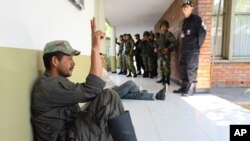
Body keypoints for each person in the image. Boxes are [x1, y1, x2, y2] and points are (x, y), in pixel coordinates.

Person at [31, 18, 137, 141]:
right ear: (55, 61)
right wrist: (95, 48)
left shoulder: (55, 82)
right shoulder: (48, 86)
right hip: (66, 137)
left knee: (107, 103)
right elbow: (92, 88)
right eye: (69, 58)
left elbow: (93, 92)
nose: (73, 63)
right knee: (110, 97)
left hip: (72, 130)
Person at [173, 0, 206, 96]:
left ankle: (191, 89)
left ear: (192, 8)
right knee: (183, 68)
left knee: (191, 68)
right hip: (184, 50)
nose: (185, 8)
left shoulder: (196, 19)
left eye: (187, 7)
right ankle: (184, 86)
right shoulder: (185, 21)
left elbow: (203, 32)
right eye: (184, 7)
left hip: (192, 50)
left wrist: (197, 46)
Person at [100, 53, 166, 100]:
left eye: (103, 58)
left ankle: (156, 96)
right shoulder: (97, 70)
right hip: (110, 92)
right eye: (101, 58)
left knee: (130, 94)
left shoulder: (101, 69)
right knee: (130, 83)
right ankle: (140, 92)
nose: (103, 60)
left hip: (114, 88)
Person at [156, 20, 177, 85]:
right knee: (161, 66)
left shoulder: (169, 34)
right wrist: (156, 48)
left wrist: (168, 48)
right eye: (162, 27)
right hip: (161, 53)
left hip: (166, 53)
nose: (163, 28)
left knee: (166, 66)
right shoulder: (161, 35)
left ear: (167, 27)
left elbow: (174, 43)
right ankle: (163, 78)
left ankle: (167, 80)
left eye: (164, 26)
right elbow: (158, 43)